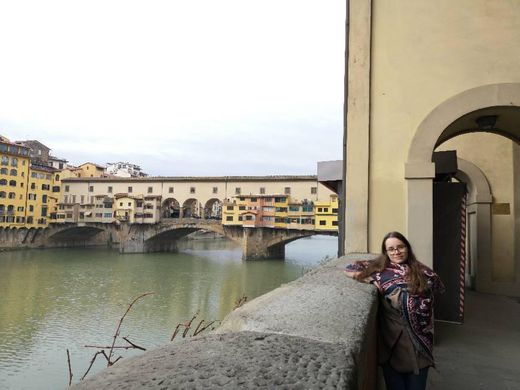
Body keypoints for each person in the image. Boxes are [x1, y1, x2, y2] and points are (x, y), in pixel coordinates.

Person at [344, 231, 444, 390]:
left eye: (400, 247)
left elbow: (430, 299)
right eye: (391, 249)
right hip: (392, 347)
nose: (396, 252)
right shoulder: (381, 271)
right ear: (386, 252)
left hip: (420, 345)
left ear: (407, 248)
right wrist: (368, 277)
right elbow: (350, 267)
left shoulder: (425, 273)